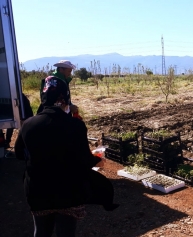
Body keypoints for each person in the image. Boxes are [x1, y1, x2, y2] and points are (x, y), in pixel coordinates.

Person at [15, 77, 117, 237]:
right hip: (69, 192)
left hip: (38, 190)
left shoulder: (28, 124)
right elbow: (85, 160)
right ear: (65, 98)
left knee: (41, 232)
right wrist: (98, 160)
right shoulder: (75, 125)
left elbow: (20, 154)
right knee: (66, 233)